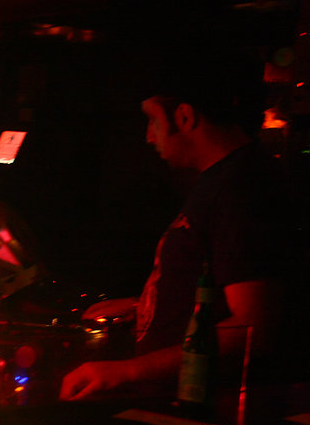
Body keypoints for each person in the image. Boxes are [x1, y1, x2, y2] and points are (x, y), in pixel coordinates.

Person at [60, 46, 293, 400]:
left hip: (201, 407)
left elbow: (251, 328)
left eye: (152, 120)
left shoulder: (242, 189)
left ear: (184, 117)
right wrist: (142, 305)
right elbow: (214, 288)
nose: (148, 136)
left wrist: (125, 372)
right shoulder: (222, 179)